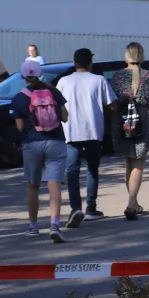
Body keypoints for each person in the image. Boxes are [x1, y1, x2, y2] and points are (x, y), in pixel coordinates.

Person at [13, 59, 71, 243]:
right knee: (54, 184)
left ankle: (33, 226)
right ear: (40, 74)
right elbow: (65, 117)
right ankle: (54, 225)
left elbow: (20, 127)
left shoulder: (19, 98)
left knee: (33, 186)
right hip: (55, 142)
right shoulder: (54, 92)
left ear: (23, 76)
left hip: (32, 144)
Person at [56, 48, 115, 226]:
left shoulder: (63, 81)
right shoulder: (99, 80)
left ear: (74, 63)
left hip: (71, 131)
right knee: (92, 169)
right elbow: (111, 104)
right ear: (90, 63)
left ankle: (75, 208)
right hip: (93, 131)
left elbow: (57, 106)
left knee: (72, 170)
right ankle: (91, 208)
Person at [109, 42, 149, 220]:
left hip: (122, 122)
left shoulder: (117, 76)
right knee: (138, 164)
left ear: (127, 56)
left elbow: (112, 102)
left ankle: (134, 202)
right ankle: (132, 203)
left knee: (129, 163)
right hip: (143, 122)